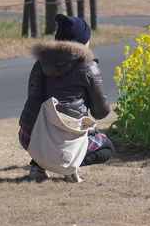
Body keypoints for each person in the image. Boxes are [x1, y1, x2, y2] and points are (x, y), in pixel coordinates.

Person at [19, 14, 113, 182]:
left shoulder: (41, 63)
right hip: (65, 142)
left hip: (30, 138)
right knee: (106, 147)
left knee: (51, 130)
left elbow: (32, 104)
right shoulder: (88, 67)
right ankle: (70, 166)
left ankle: (38, 165)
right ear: (83, 41)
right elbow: (100, 112)